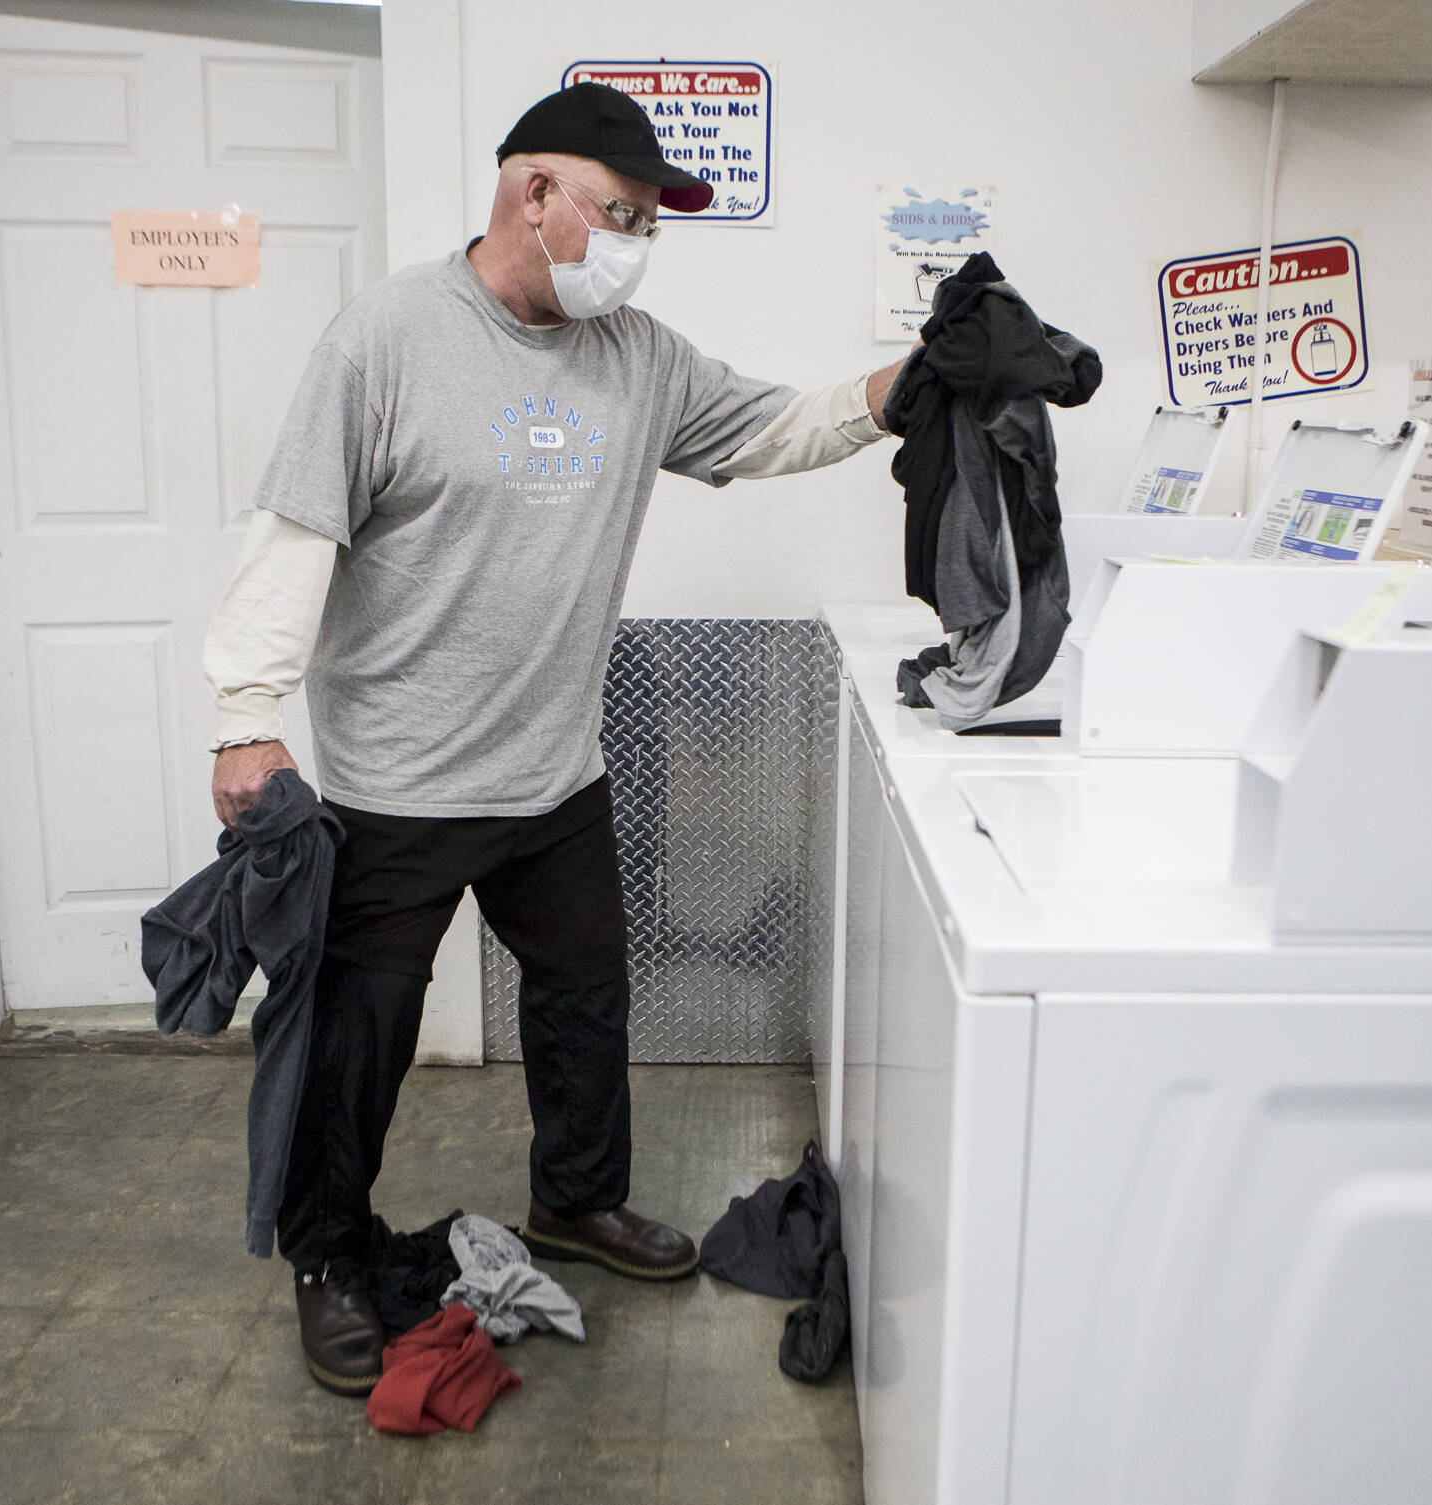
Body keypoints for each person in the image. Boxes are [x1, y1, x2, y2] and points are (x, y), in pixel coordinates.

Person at [201, 81, 906, 1396]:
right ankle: (328, 1255)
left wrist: (902, 389)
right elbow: (296, 526)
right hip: (401, 782)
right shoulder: (387, 338)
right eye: (623, 214)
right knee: (359, 1036)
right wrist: (247, 716)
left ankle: (577, 1200)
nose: (638, 245)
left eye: (650, 225)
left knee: (585, 998)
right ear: (535, 194)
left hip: (556, 774)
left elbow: (774, 428)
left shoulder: (639, 357)